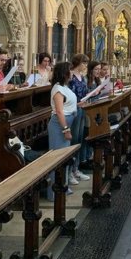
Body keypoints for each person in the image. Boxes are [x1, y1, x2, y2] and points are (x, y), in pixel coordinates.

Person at [47, 62, 78, 201]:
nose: (72, 73)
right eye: (70, 70)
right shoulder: (57, 88)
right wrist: (65, 129)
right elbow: (59, 111)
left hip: (67, 122)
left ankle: (63, 186)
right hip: (59, 125)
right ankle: (53, 192)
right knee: (57, 159)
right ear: (64, 72)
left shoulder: (65, 87)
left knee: (64, 158)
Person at [68, 54, 91, 185]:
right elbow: (69, 95)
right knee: (74, 139)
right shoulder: (70, 76)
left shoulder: (82, 76)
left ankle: (76, 169)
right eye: (84, 63)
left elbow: (84, 91)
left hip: (82, 109)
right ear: (78, 63)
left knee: (80, 138)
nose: (86, 66)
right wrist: (77, 103)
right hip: (74, 110)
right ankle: (70, 171)